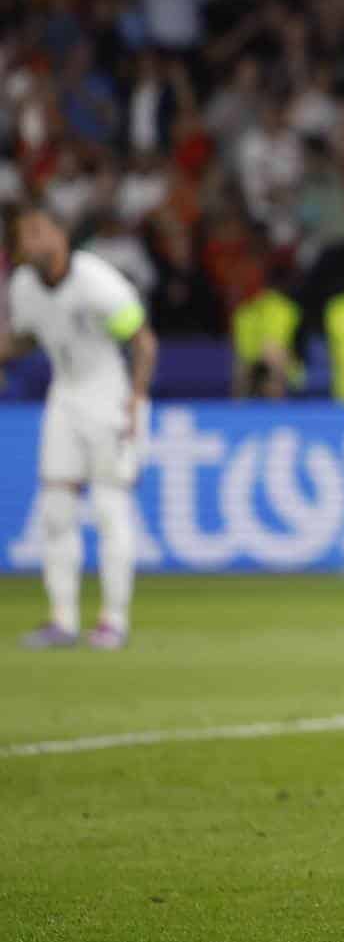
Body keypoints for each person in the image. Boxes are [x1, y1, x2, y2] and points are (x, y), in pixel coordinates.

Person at [5, 206, 158, 651]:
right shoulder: (23, 288)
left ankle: (113, 620)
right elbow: (29, 336)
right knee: (55, 512)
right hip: (64, 397)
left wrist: (136, 397)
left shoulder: (96, 282)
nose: (28, 242)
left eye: (36, 231)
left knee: (110, 508)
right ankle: (62, 619)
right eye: (21, 235)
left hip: (109, 394)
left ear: (59, 234)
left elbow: (141, 340)